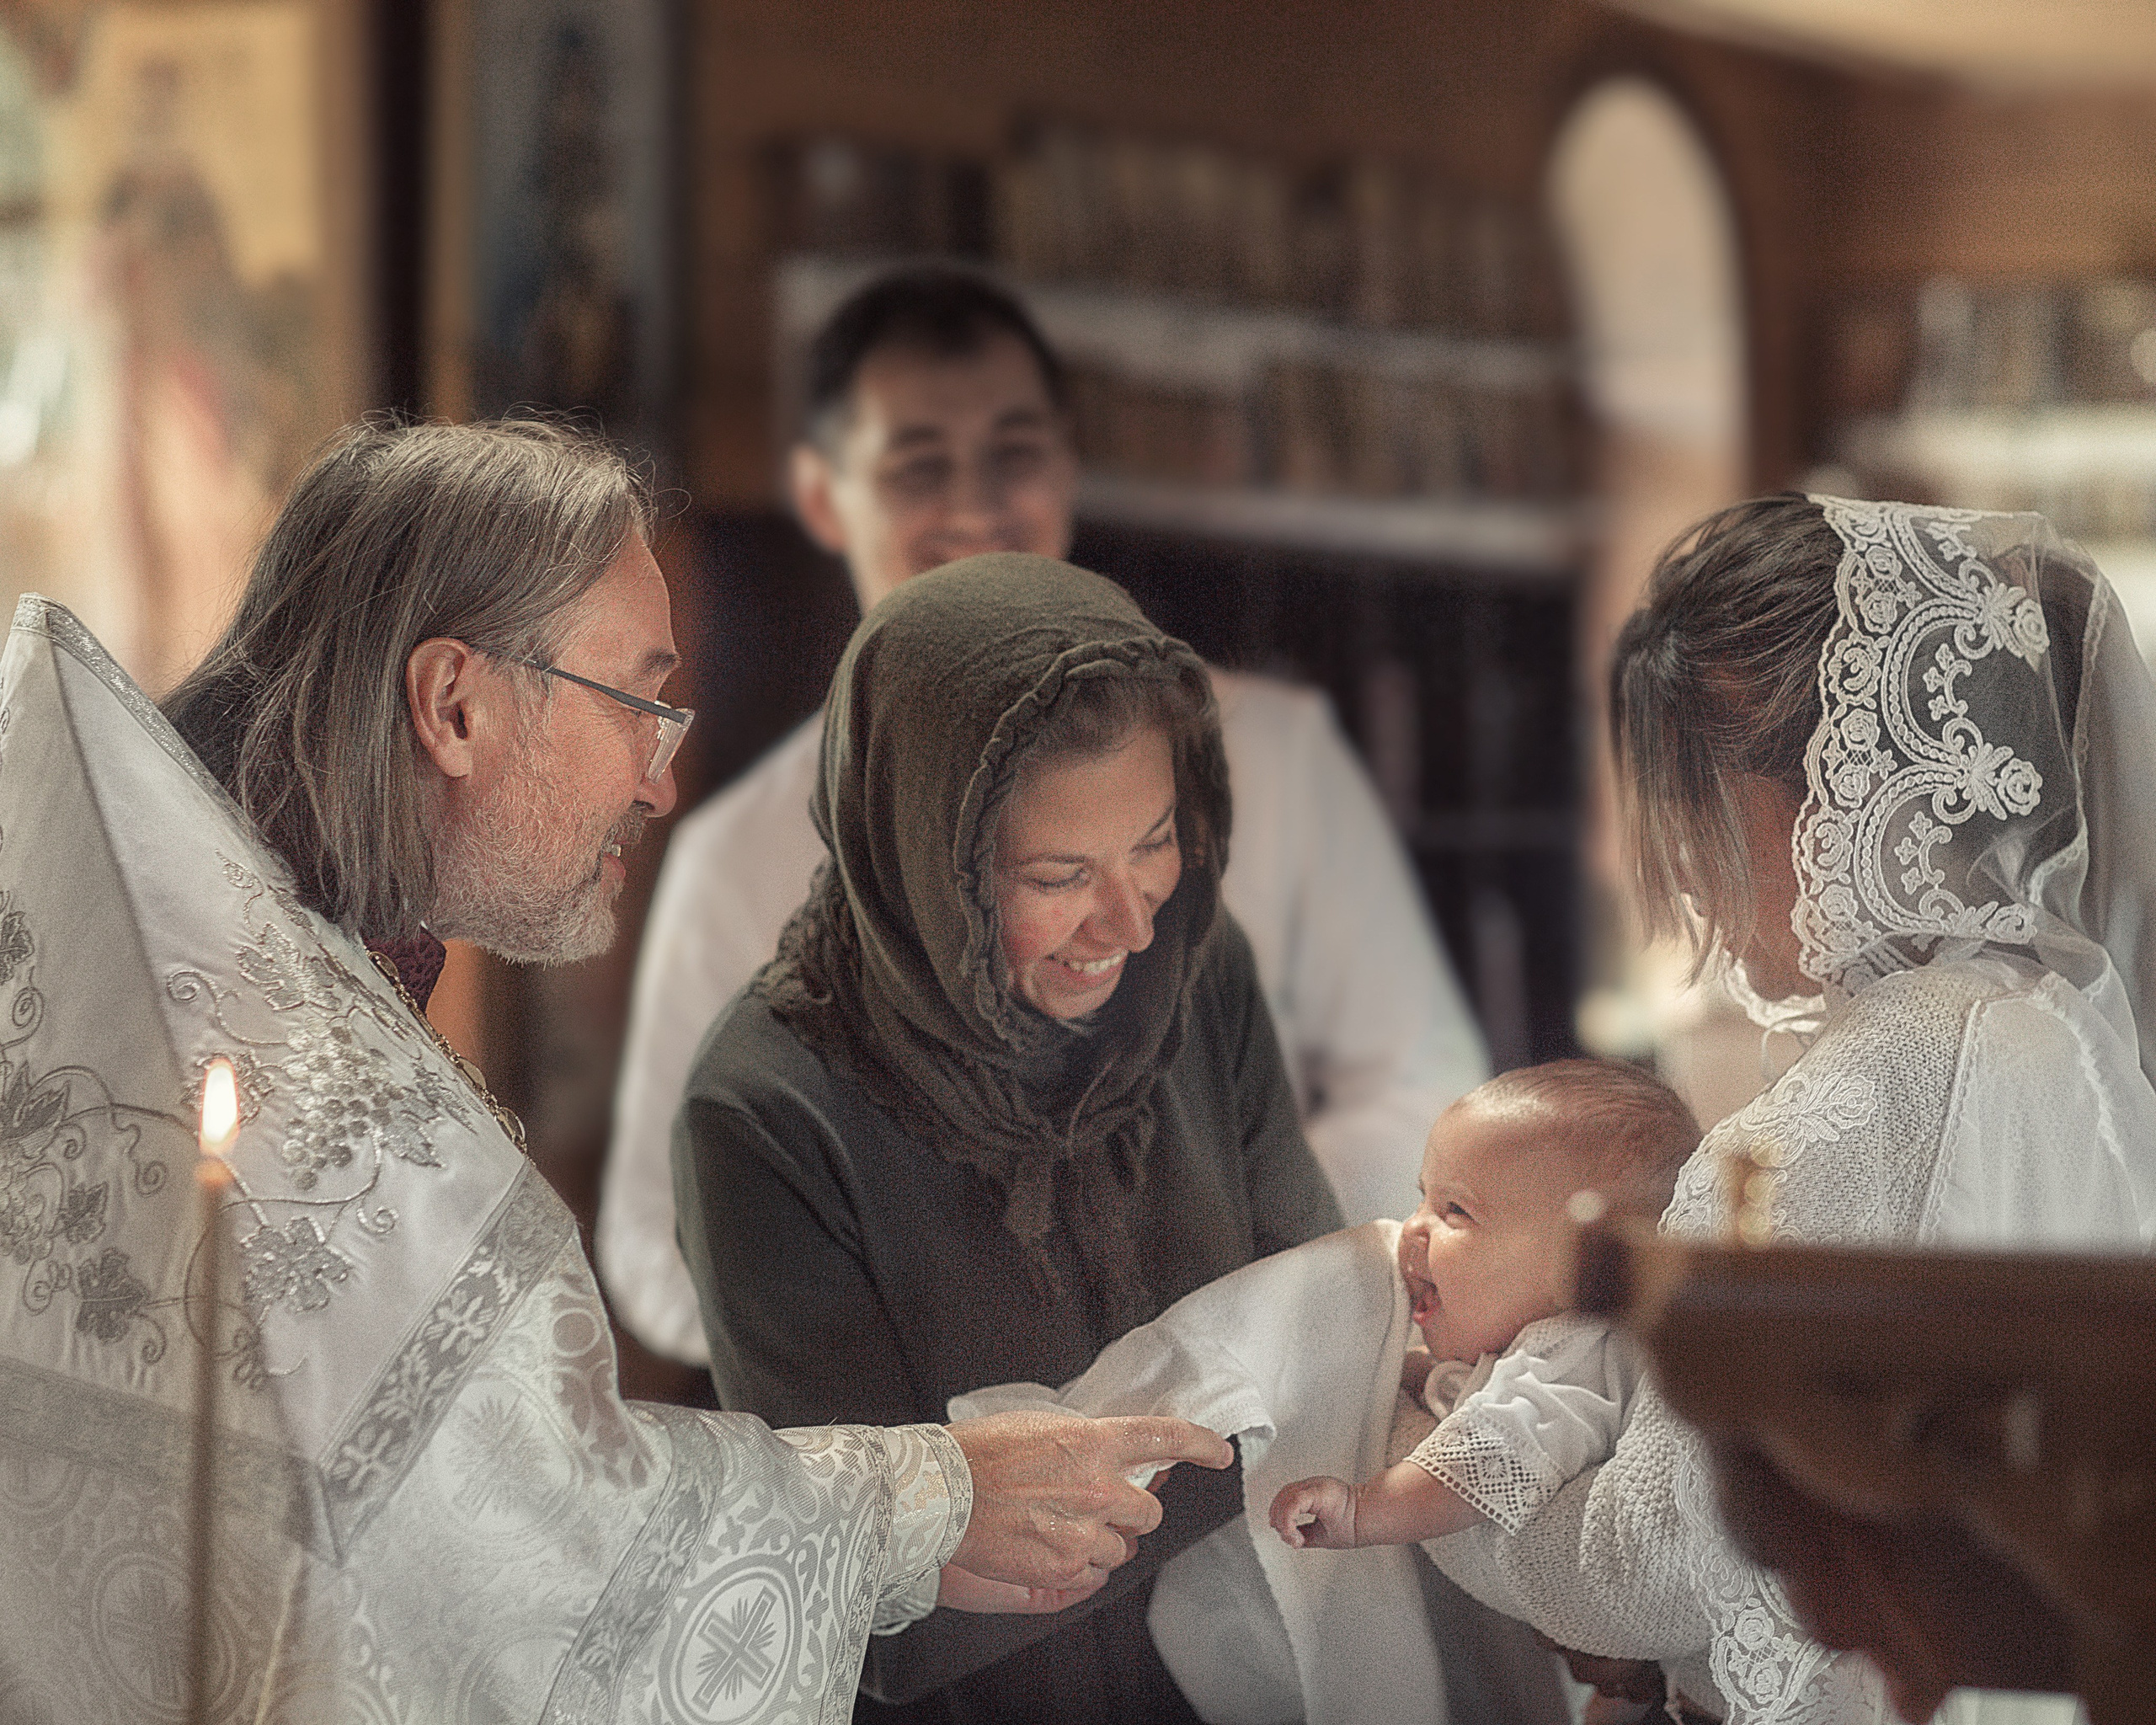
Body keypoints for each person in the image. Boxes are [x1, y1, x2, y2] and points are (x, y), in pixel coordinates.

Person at [0, 418, 1235, 1724]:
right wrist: (931, 1501)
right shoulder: (276, 1075)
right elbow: (521, 1562)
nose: (659, 780)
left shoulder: (202, 936)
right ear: (456, 704)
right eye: (640, 703)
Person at [603, 265, 1486, 1368]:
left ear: (1066, 470)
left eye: (1014, 454)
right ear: (825, 496)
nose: (977, 504)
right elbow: (651, 1235)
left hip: (1273, 1423)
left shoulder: (1278, 756)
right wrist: (906, 1357)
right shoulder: (740, 852)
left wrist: (1194, 1297)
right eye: (920, 466)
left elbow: (1429, 1088)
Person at [1417, 495, 2156, 1724]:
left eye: (1693, 800)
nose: (1684, 857)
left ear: (1827, 796)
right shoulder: (2067, 1034)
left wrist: (1424, 1435)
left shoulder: (1837, 1110)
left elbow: (1641, 1571)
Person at [672, 552, 1348, 1722]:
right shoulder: (764, 1115)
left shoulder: (1196, 970)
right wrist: (1269, 1434)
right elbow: (882, 1603)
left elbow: (1331, 1338)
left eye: (1154, 840)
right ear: (926, 859)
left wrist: (1037, 1510)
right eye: (1058, 875)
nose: (1131, 921)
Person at [1269, 1060, 1696, 1555]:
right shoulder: (1539, 1343)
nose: (1412, 1227)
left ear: (1578, 1265)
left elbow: (1493, 1458)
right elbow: (1468, 1383)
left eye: (1456, 1211)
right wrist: (1404, 1371)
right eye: (1425, 1197)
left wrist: (1361, 1510)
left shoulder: (1577, 1353)